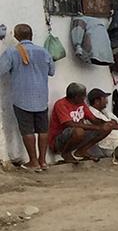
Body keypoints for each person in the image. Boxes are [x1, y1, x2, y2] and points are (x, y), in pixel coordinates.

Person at [0, 23, 56, 171]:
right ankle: (43, 161)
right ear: (31, 36)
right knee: (43, 130)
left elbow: (1, 70)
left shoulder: (12, 52)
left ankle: (33, 162)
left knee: (27, 131)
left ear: (17, 37)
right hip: (41, 97)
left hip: (22, 98)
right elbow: (52, 71)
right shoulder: (44, 52)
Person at [50, 83, 111, 164]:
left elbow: (93, 119)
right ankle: (65, 154)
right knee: (79, 131)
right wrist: (97, 127)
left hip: (76, 137)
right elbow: (69, 124)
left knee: (107, 128)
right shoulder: (61, 104)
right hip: (59, 140)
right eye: (83, 96)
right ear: (76, 97)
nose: (84, 98)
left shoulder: (81, 104)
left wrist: (106, 123)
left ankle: (82, 151)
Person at [79, 87, 118, 160]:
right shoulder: (91, 113)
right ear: (97, 101)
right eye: (104, 99)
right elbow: (104, 126)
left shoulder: (105, 111)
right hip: (112, 145)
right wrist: (112, 123)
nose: (107, 101)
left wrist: (111, 124)